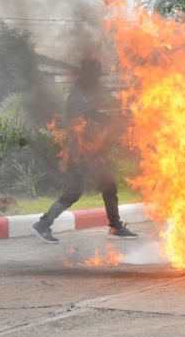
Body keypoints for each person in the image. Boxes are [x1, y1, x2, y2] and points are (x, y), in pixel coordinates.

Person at [30, 58, 138, 244]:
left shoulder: (83, 96)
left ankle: (115, 226)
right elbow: (83, 122)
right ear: (88, 76)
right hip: (83, 153)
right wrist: (109, 121)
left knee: (106, 186)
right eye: (96, 76)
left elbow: (94, 117)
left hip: (89, 152)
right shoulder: (77, 99)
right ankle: (43, 224)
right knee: (76, 192)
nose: (98, 80)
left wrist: (113, 120)